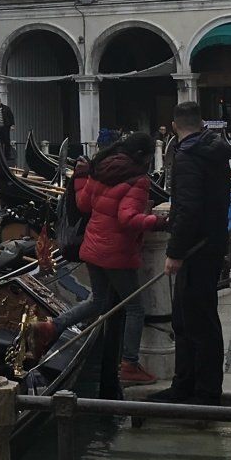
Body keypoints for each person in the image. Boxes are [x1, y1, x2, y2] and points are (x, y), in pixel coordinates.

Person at [71, 133, 165, 397]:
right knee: (135, 308)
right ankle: (130, 364)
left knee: (96, 302)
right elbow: (128, 219)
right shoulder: (138, 179)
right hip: (116, 252)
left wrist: (80, 177)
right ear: (144, 157)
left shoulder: (100, 167)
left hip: (91, 247)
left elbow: (83, 204)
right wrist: (159, 222)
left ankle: (51, 327)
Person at [158, 102, 231, 405]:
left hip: (195, 249)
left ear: (175, 127)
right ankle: (188, 385)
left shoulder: (188, 157)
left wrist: (175, 251)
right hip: (211, 243)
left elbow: (187, 208)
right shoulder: (215, 152)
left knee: (194, 320)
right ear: (201, 123)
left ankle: (202, 391)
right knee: (193, 318)